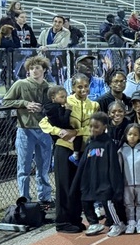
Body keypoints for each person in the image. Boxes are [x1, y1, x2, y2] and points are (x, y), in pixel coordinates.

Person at [42, 73, 98, 233]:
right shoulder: (65, 102)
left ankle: (75, 219)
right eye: (79, 86)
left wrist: (80, 133)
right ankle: (62, 222)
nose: (83, 89)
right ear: (73, 88)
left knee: (77, 187)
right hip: (64, 148)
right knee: (64, 186)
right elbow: (45, 123)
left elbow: (93, 127)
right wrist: (59, 132)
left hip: (82, 149)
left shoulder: (93, 105)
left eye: (86, 86)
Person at [3, 55, 53, 207]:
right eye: (31, 68)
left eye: (37, 68)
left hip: (45, 130)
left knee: (44, 167)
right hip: (25, 130)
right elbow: (5, 101)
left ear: (44, 69)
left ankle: (45, 197)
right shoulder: (21, 84)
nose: (34, 71)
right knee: (23, 167)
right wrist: (24, 103)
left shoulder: (49, 87)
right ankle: (24, 199)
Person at [120, 123, 140, 234]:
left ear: (139, 136)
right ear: (126, 135)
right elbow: (119, 167)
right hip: (127, 182)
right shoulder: (121, 150)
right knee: (128, 203)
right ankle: (131, 222)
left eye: (135, 134)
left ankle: (139, 221)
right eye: (129, 134)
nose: (132, 137)